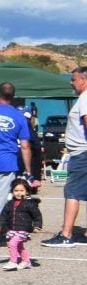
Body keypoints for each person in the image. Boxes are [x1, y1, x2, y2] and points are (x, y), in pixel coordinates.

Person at [43, 66, 87, 247]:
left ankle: (66, 235)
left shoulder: (85, 98)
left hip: (82, 153)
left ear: (84, 80)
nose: (71, 82)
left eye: (74, 79)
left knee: (72, 192)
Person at [0, 178, 41, 271]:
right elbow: (3, 215)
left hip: (24, 228)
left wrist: (37, 226)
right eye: (16, 190)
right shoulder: (10, 204)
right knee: (19, 246)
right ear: (12, 191)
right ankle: (26, 261)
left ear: (27, 192)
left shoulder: (29, 204)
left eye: (21, 190)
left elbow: (37, 215)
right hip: (12, 228)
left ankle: (13, 262)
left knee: (12, 243)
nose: (18, 193)